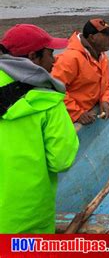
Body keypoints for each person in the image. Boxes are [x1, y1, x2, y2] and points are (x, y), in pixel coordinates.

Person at [0, 24, 79, 233]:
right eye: (50, 53)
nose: (54, 61)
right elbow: (62, 160)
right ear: (34, 56)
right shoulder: (47, 99)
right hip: (27, 219)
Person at [52, 18, 109, 125]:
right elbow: (54, 89)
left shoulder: (102, 57)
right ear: (92, 37)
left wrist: (104, 100)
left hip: (89, 112)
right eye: (106, 34)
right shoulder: (70, 58)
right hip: (67, 120)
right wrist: (77, 113)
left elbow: (106, 83)